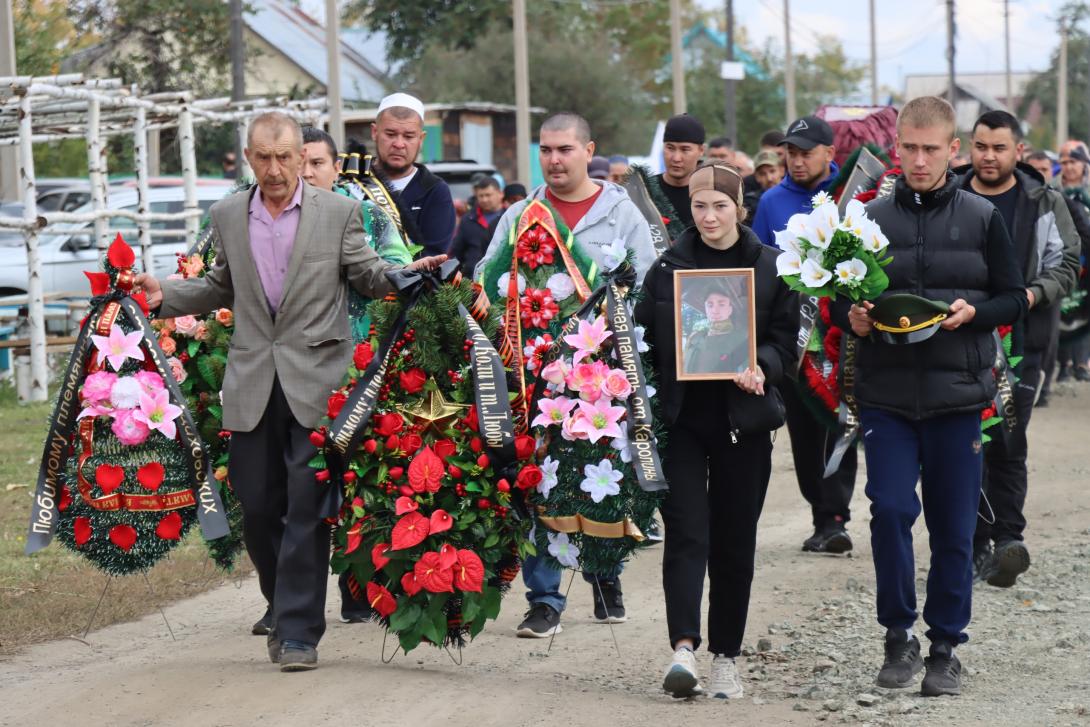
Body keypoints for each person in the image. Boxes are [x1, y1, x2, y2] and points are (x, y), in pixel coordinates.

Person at [133, 112, 446, 672]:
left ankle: (299, 631)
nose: (275, 169)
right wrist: (164, 295)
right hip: (253, 382)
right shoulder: (228, 213)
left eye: (285, 157)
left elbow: (368, 274)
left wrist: (405, 276)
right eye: (264, 157)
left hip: (318, 382)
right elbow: (219, 285)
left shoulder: (340, 213)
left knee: (306, 505)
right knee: (257, 505)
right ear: (248, 158)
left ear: (303, 158)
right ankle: (281, 606)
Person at [838, 96, 1026, 697]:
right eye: (909, 148)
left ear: (953, 150)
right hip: (887, 397)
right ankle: (898, 636)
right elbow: (841, 301)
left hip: (957, 397)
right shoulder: (867, 218)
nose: (919, 160)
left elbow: (1013, 296)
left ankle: (945, 646)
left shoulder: (981, 217)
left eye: (931, 149)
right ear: (897, 147)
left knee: (952, 526)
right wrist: (856, 320)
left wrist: (976, 314)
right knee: (890, 510)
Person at [474, 111, 655, 638]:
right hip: (531, 378)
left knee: (597, 478)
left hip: (601, 375)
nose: (554, 160)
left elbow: (645, 285)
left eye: (565, 150)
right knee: (537, 481)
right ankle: (545, 597)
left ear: (588, 150)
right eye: (546, 150)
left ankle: (604, 574)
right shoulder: (519, 216)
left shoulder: (621, 215)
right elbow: (489, 279)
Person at [635, 163, 797, 699]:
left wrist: (763, 368)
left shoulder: (770, 269)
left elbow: (785, 342)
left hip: (743, 425)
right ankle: (683, 647)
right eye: (700, 205)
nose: (708, 216)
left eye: (720, 206)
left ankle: (727, 655)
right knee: (686, 533)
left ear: (740, 210)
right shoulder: (666, 269)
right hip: (682, 422)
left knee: (734, 541)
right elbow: (642, 340)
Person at [298, 126, 415, 625]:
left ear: (335, 167)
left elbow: (396, 263)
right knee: (293, 489)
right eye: (295, 161)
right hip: (288, 371)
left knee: (354, 481)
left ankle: (356, 585)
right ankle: (283, 598)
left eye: (316, 163)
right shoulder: (258, 213)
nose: (304, 173)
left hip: (359, 364)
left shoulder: (363, 211)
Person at [959, 111, 1079, 588]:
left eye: (999, 148)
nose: (989, 156)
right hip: (959, 341)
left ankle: (1008, 538)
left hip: (1024, 341)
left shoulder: (1042, 201)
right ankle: (971, 542)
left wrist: (1031, 294)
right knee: (965, 443)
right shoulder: (951, 195)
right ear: (970, 147)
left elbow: (1066, 261)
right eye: (981, 146)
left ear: (1018, 152)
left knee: (1008, 437)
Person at [751, 115, 856, 554]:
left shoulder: (851, 196)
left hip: (842, 334)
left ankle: (834, 517)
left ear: (830, 154)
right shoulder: (771, 202)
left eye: (805, 152)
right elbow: (755, 265)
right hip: (792, 341)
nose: (795, 161)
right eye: (790, 153)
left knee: (840, 423)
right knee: (805, 432)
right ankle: (820, 511)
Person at [370, 92, 456, 257]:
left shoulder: (434, 191)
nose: (399, 144)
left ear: (421, 138)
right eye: (390, 134)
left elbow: (433, 257)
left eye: (409, 136)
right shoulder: (353, 182)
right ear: (375, 132)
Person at [681, 279, 751, 375]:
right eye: (710, 305)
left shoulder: (742, 339)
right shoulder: (694, 338)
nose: (715, 310)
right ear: (705, 309)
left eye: (721, 304)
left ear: (730, 309)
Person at [653, 114, 708, 229]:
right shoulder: (646, 190)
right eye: (670, 148)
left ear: (701, 150)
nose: (676, 158)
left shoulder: (712, 191)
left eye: (685, 149)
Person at [448, 175, 504, 276]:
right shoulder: (468, 219)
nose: (484, 199)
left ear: (500, 194)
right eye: (481, 196)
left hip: (502, 279)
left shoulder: (508, 217)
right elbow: (456, 252)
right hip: (473, 280)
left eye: (488, 195)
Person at [742, 149, 785, 219]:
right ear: (757, 177)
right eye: (762, 174)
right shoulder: (750, 202)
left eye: (772, 171)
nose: (769, 178)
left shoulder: (795, 197)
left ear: (782, 171)